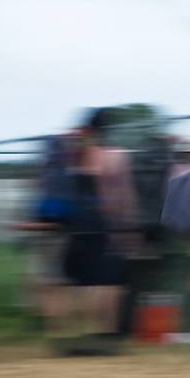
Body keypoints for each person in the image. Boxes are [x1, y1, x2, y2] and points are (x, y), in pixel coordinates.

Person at [52, 108, 137, 356]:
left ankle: (72, 337)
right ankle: (106, 338)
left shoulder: (76, 154)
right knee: (109, 283)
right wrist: (130, 227)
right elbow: (125, 196)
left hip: (77, 224)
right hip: (106, 224)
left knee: (78, 283)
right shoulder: (117, 156)